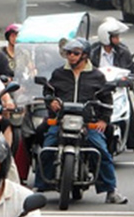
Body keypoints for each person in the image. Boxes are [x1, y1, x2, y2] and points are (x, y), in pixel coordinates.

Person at [37, 38, 127, 204]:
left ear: (85, 55)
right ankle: (40, 187)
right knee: (47, 146)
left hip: (87, 123)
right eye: (68, 53)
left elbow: (106, 100)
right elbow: (48, 91)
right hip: (62, 120)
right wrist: (51, 102)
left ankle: (111, 190)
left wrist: (103, 120)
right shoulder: (58, 74)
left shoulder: (97, 76)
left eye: (75, 53)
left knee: (101, 151)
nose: (71, 56)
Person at [90, 17, 134, 166]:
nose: (118, 39)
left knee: (130, 114)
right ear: (106, 37)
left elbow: (132, 71)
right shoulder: (92, 52)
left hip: (118, 90)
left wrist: (127, 81)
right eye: (115, 36)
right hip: (99, 90)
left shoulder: (123, 51)